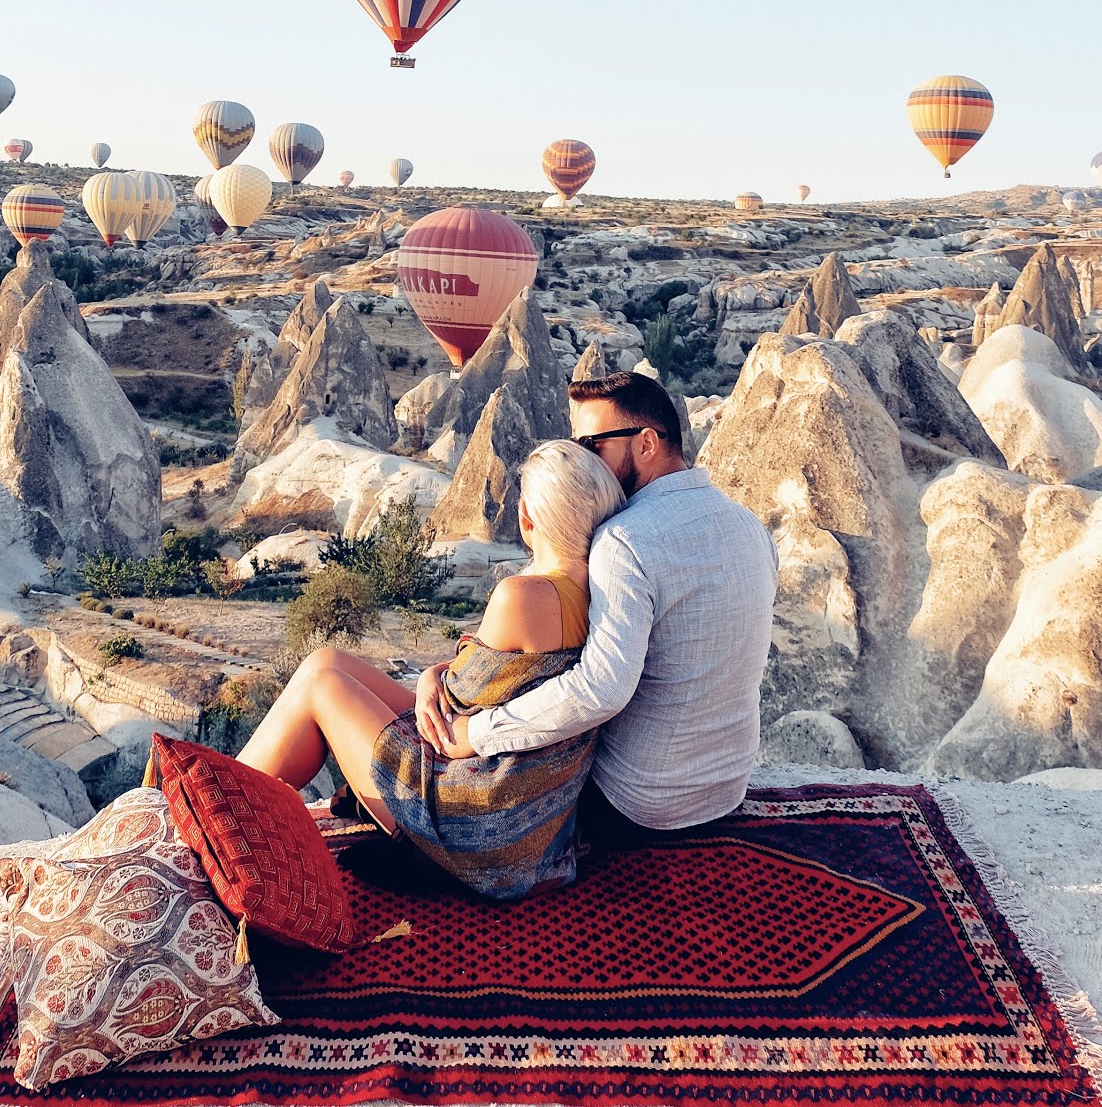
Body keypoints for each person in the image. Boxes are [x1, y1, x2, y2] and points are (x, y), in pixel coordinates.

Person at [235, 439, 625, 900]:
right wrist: (428, 677)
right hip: (533, 822)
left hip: (479, 824)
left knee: (322, 683)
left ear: (526, 518)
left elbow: (453, 703)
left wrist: (432, 680)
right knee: (326, 660)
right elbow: (484, 679)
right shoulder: (606, 597)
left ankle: (226, 810)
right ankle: (231, 799)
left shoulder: (523, 596)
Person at [417, 370, 778, 845]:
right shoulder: (751, 526)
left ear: (646, 443)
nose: (584, 459)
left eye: (592, 445)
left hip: (637, 804)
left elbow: (601, 688)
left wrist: (477, 734)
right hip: (725, 790)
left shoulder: (624, 540)